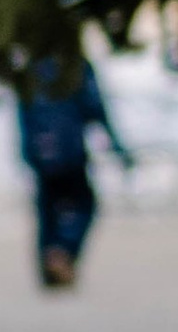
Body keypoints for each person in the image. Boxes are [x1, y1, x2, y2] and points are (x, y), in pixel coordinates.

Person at [16, 51, 127, 287]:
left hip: (40, 149)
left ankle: (50, 261)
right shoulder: (75, 64)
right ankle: (63, 251)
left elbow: (23, 110)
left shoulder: (31, 65)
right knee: (85, 203)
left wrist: (27, 149)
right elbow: (94, 106)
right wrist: (115, 143)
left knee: (47, 210)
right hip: (70, 147)